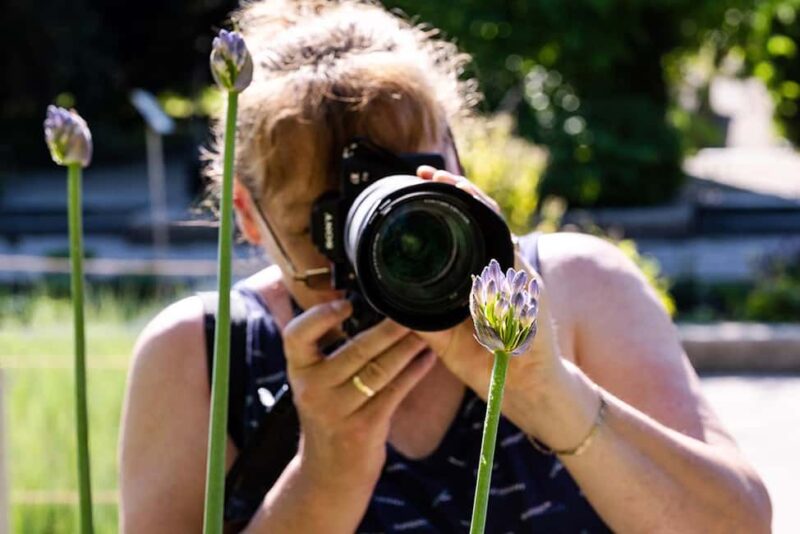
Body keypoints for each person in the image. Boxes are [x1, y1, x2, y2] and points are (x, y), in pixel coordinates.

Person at [118, 1, 771, 532]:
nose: (383, 252)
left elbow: (739, 528)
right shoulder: (205, 354)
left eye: (410, 205)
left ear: (456, 159)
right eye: (330, 227)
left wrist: (548, 393)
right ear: (249, 216)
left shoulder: (577, 290)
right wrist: (326, 473)